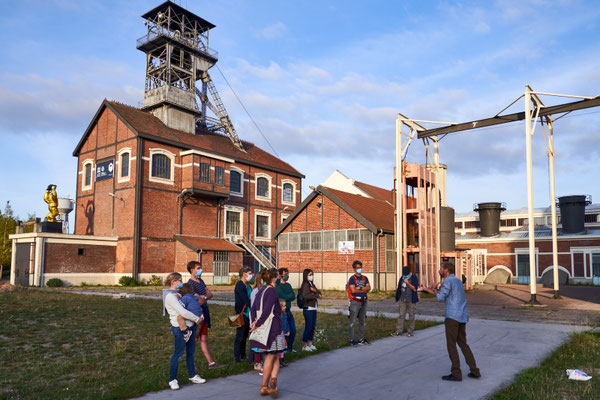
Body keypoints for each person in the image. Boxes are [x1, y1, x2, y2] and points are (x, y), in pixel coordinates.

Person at [421, 262, 481, 382]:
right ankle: (475, 371)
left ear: (446, 270)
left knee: (451, 345)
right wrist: (430, 289)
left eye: (441, 268)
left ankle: (456, 373)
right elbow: (448, 295)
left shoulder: (447, 281)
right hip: (462, 316)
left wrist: (432, 289)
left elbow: (440, 298)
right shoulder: (458, 281)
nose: (439, 270)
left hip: (452, 318)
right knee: (463, 344)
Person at [163, 272, 206, 390]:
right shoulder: (170, 296)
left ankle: (192, 375)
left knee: (190, 352)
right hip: (180, 328)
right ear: (173, 281)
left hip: (191, 326)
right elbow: (182, 312)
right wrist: (197, 318)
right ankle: (173, 379)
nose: (181, 283)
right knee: (178, 353)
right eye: (180, 280)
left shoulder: (178, 294)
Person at [249, 268, 285, 397]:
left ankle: (272, 383)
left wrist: (254, 322)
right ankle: (267, 384)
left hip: (264, 327)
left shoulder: (260, 291)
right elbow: (267, 310)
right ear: (274, 278)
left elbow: (253, 309)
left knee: (273, 355)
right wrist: (258, 323)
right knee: (272, 356)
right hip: (273, 328)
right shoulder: (272, 291)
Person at [186, 261, 218, 369]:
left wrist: (203, 297)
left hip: (205, 311)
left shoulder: (201, 281)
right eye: (198, 268)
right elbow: (198, 301)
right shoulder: (190, 284)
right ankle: (191, 364)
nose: (201, 270)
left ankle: (211, 362)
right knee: (194, 339)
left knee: (204, 338)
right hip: (197, 314)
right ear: (192, 270)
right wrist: (204, 297)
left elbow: (210, 294)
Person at [347, 260, 371, 346]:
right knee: (352, 321)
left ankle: (361, 339)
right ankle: (351, 340)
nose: (359, 269)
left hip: (363, 302)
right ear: (354, 269)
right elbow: (353, 290)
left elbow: (369, 288)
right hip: (355, 302)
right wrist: (364, 288)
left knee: (362, 321)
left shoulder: (365, 278)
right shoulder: (352, 279)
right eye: (357, 268)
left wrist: (360, 288)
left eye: (360, 267)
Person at [391, 266, 419, 337]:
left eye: (406, 274)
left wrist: (407, 283)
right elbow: (399, 288)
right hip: (402, 300)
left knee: (411, 315)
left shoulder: (414, 278)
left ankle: (410, 331)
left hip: (411, 300)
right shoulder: (402, 278)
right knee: (401, 315)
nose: (405, 275)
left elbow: (414, 289)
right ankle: (398, 331)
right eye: (404, 274)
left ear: (409, 272)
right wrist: (397, 297)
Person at [233, 266, 252, 363]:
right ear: (244, 274)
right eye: (249, 273)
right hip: (241, 313)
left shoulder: (247, 285)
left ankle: (243, 354)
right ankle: (237, 357)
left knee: (245, 336)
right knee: (239, 336)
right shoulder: (240, 285)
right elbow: (245, 299)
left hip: (248, 314)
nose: (251, 275)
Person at [300, 268, 321, 351]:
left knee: (312, 327)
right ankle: (305, 345)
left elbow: (319, 293)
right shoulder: (305, 284)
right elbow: (306, 296)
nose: (311, 276)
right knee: (308, 327)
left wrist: (315, 291)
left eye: (312, 274)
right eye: (309, 275)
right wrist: (315, 295)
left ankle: (310, 344)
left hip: (313, 308)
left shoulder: (311, 284)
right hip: (308, 308)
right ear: (306, 276)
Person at [275, 267, 297, 353]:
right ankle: (284, 348)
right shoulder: (278, 286)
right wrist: (288, 296)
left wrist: (287, 297)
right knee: (285, 330)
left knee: (293, 330)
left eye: (287, 274)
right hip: (282, 311)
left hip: (288, 309)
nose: (287, 276)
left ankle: (290, 348)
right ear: (280, 275)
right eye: (285, 274)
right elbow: (282, 297)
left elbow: (293, 296)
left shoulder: (288, 285)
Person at [279, 300, 290, 367]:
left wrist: (288, 330)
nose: (285, 307)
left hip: (285, 332)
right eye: (283, 306)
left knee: (283, 348)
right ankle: (279, 361)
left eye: (285, 306)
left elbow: (287, 323)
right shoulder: (278, 315)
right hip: (281, 333)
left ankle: (282, 360)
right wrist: (282, 333)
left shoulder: (285, 313)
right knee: (280, 348)